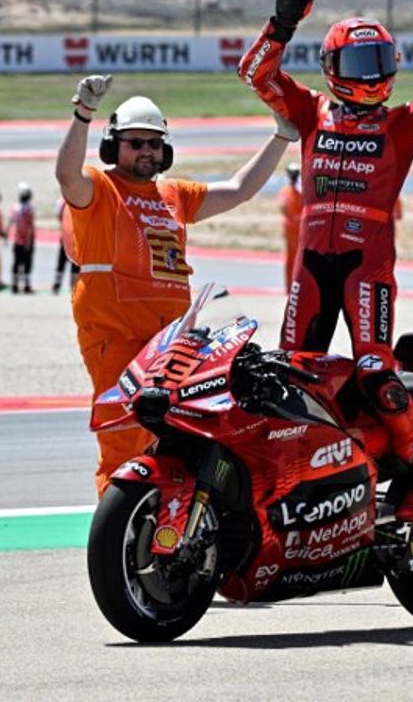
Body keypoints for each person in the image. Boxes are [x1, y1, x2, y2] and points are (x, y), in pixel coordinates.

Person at [238, 0, 413, 521]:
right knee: (289, 374)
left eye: (379, 63)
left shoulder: (401, 122)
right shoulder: (308, 111)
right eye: (358, 64)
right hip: (311, 267)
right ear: (330, 69)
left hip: (367, 268)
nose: (371, 75)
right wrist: (280, 24)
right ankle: (304, 482)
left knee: (375, 371)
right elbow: (254, 75)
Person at [56, 74, 291, 496]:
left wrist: (281, 136)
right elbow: (66, 175)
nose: (146, 151)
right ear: (114, 146)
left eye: (153, 143)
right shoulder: (100, 189)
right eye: (135, 142)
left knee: (181, 437)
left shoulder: (174, 194)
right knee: (124, 443)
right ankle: (118, 542)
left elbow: (239, 190)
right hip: (118, 339)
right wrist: (82, 115)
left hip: (172, 344)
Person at [276, 162, 303, 291]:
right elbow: (283, 207)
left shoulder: (300, 190)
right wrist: (293, 218)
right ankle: (289, 285)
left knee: (301, 257)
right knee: (292, 256)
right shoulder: (286, 191)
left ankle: (298, 284)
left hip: (301, 229)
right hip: (291, 229)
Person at [8, 183, 36, 294]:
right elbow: (30, 225)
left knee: (17, 262)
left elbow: (10, 221)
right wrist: (28, 241)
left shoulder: (15, 207)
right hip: (25, 239)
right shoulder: (29, 207)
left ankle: (14, 285)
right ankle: (26, 285)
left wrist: (6, 233)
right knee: (26, 263)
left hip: (17, 239)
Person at [51, 198, 80, 295]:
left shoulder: (61, 202)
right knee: (66, 263)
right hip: (72, 237)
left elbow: (58, 216)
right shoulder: (68, 200)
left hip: (69, 236)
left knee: (65, 264)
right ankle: (62, 286)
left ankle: (59, 285)